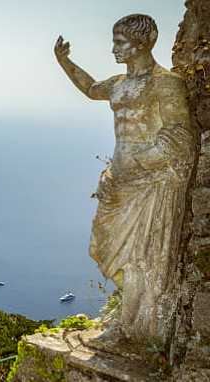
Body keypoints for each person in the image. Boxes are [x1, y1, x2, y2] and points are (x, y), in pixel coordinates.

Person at [54, 14, 196, 341]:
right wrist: (65, 62)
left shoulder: (165, 84)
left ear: (141, 43)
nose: (113, 48)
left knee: (143, 256)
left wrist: (142, 162)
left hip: (152, 184)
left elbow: (178, 135)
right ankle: (129, 316)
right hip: (119, 179)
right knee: (101, 244)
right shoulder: (119, 84)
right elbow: (90, 89)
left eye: (120, 42)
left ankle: (135, 325)